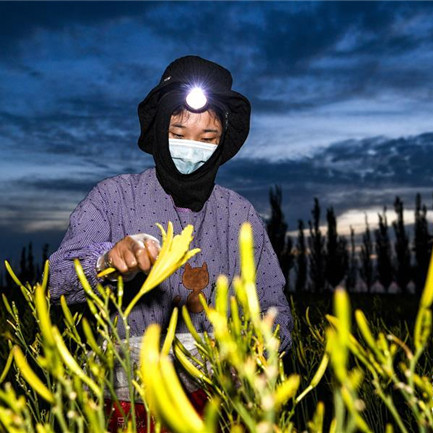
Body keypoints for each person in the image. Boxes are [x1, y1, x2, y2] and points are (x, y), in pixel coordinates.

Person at [48, 55, 293, 430]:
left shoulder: (240, 215)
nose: (191, 146)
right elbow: (56, 280)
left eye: (207, 138)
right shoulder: (112, 198)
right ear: (160, 129)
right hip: (123, 400)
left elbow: (273, 308)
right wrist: (106, 261)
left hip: (217, 401)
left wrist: (256, 352)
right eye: (178, 134)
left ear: (222, 142)